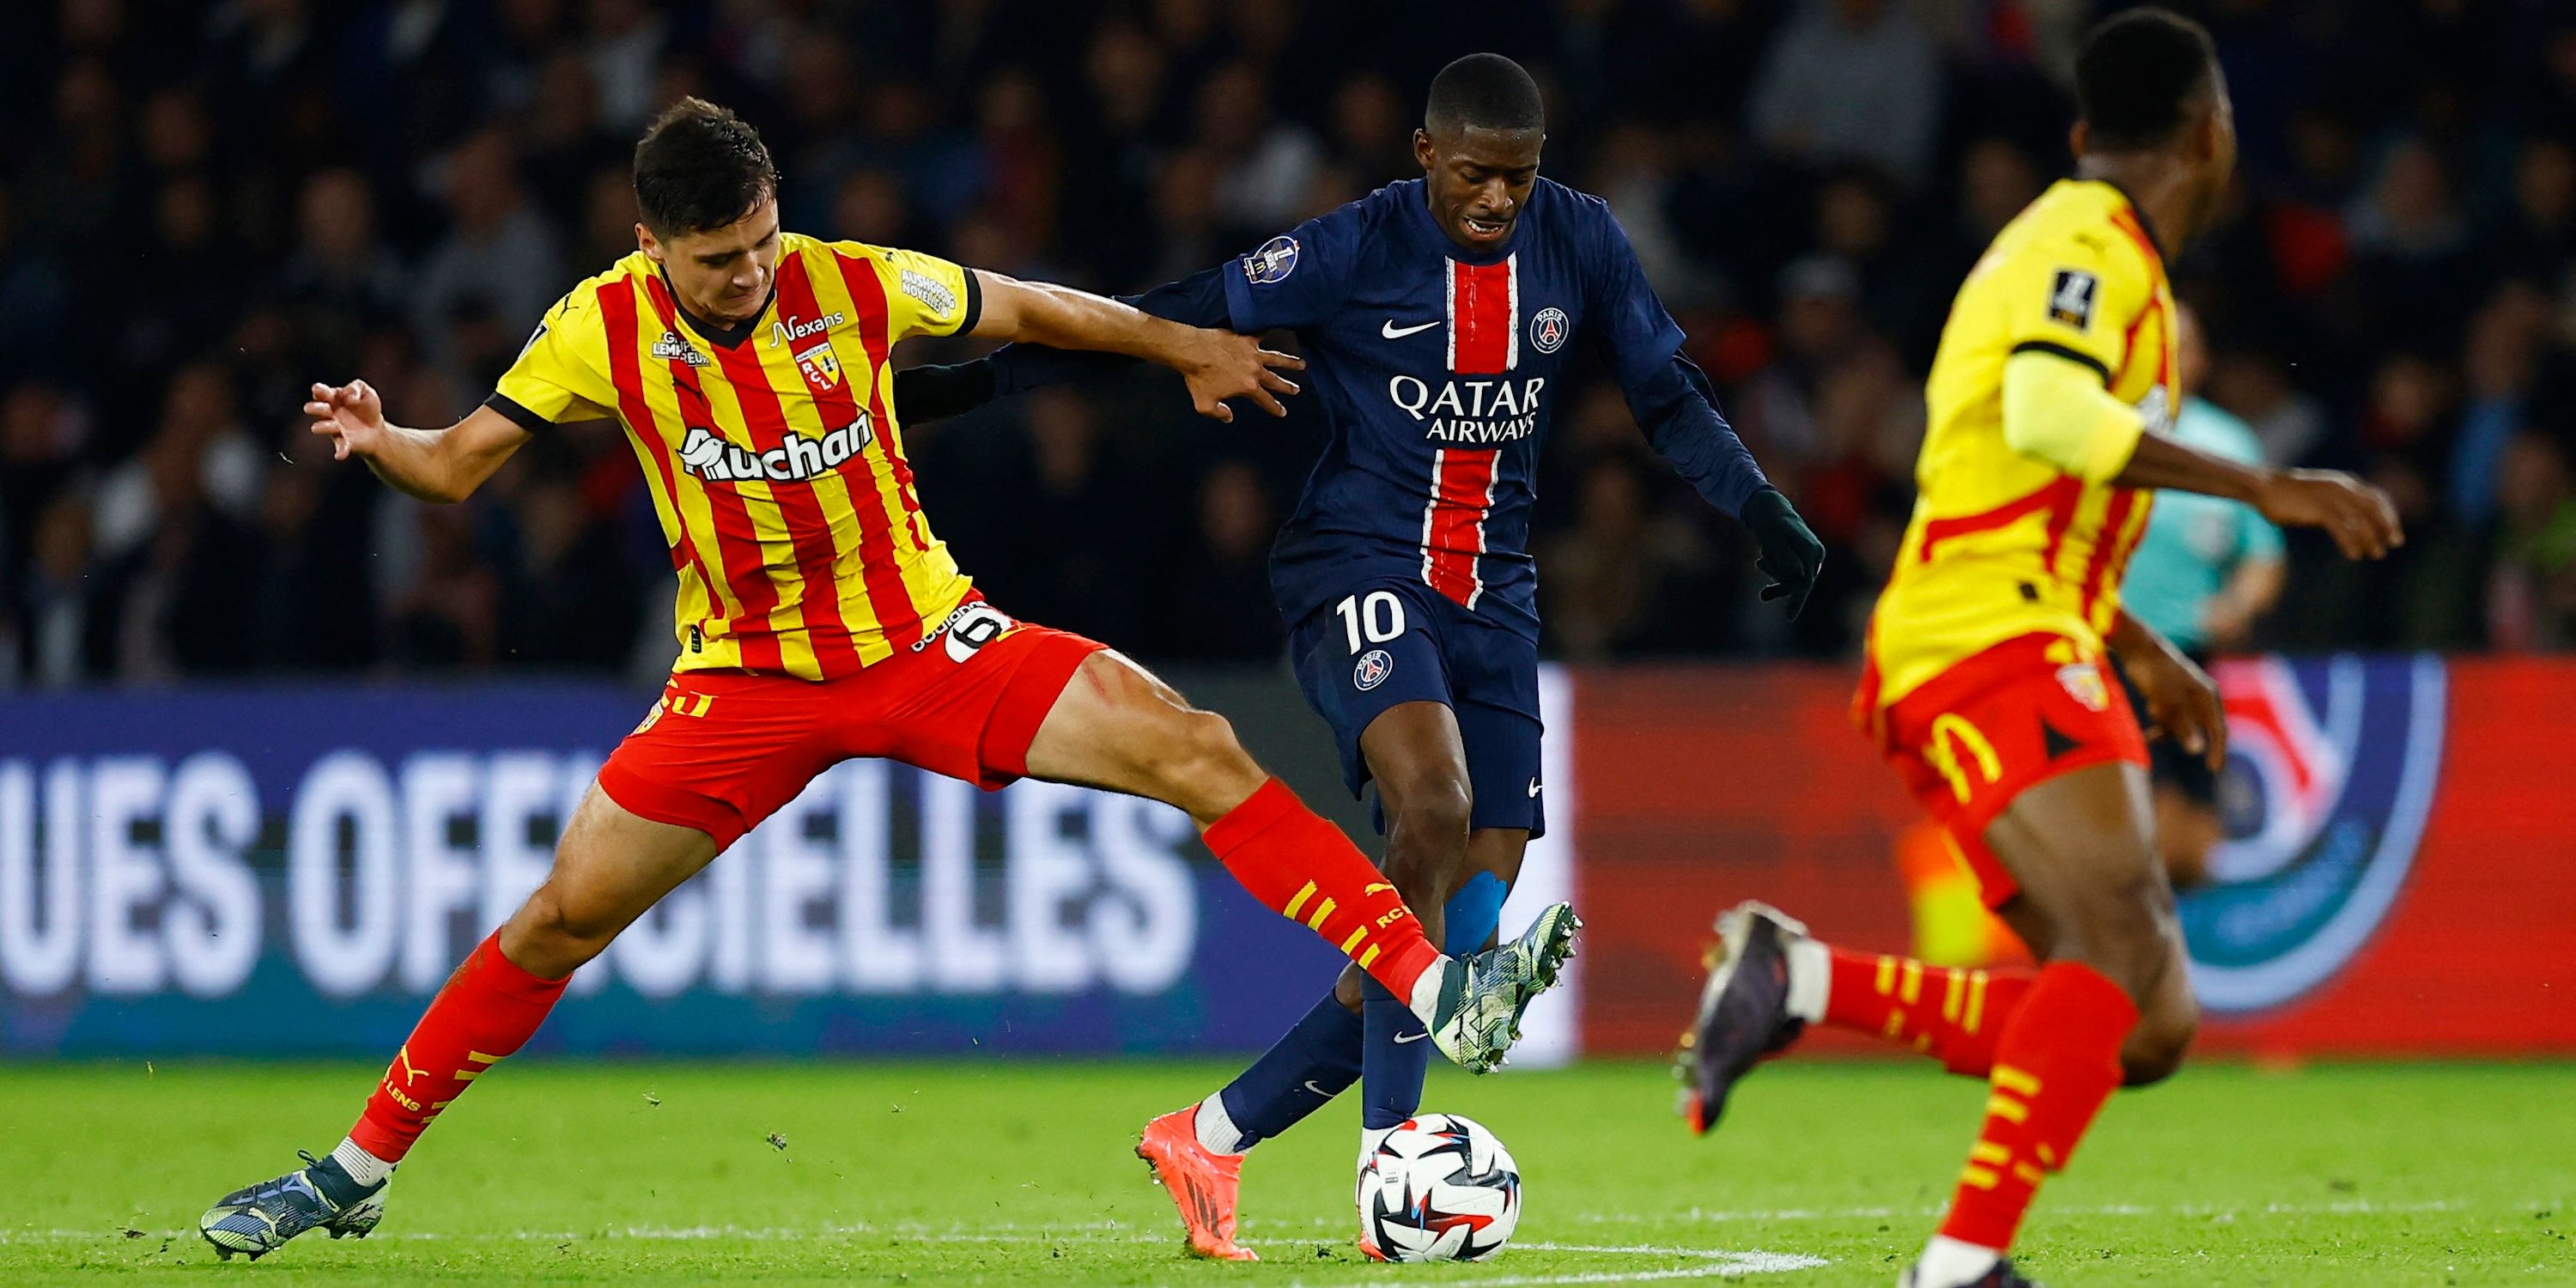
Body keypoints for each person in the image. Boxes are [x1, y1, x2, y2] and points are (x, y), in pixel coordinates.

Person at [196, 98, 1579, 1262]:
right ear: (648, 245)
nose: (748, 276)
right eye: (716, 261)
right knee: (560, 919)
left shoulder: (851, 280)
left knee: (1196, 746)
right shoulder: (596, 329)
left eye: (757, 244)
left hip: (928, 644)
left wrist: (1186, 347)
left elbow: (1030, 306)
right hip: (743, 684)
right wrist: (390, 440)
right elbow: (457, 467)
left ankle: (1436, 984)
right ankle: (353, 1173)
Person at [899, 54, 1822, 1261]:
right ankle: (1395, 1155)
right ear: (1427, 156)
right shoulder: (1354, 246)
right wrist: (978, 385)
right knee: (1428, 808)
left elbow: (1665, 390)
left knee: (1456, 942)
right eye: (1479, 175)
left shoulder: (1581, 240)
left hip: (1495, 592)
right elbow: (1178, 309)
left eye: (1521, 178)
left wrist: (1760, 506)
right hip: (1358, 565)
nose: (1499, 201)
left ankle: (1212, 1134)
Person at [1676, 12, 2401, 1288]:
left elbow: (2000, 466)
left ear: (2081, 130)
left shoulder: (2084, 254)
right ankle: (1961, 1266)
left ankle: (1800, 982)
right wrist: (2263, 485)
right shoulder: (2089, 241)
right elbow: (2048, 414)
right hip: (1988, 631)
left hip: (1998, 622)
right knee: (2122, 950)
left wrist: (2139, 644)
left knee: (2143, 1020)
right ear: (2211, 131)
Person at [2111, 301, 2283, 888]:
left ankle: (2185, 950)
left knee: (2198, 824)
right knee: (2134, 817)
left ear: (2203, 359)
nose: (2172, 360)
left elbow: (2262, 553)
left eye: (2184, 346)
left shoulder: (2227, 444)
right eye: (2161, 345)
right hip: (2108, 653)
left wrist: (2237, 605)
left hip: (2190, 656)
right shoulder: (2106, 434)